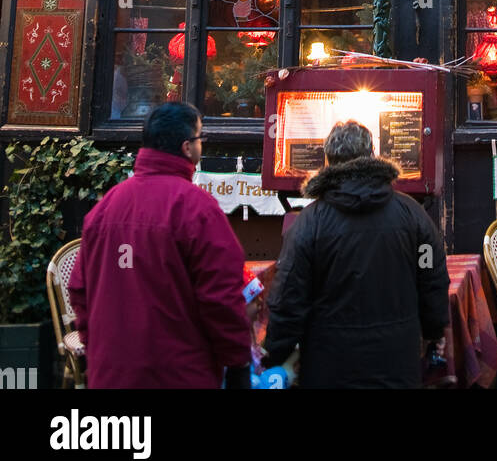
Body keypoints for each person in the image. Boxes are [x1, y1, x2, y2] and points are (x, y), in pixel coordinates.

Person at [68, 101, 252, 389]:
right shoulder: (198, 209)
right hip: (179, 375)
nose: (202, 145)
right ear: (187, 147)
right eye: (200, 137)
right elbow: (221, 298)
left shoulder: (104, 209)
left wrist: (98, 347)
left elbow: (79, 290)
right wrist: (238, 362)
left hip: (111, 375)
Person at [264, 120, 450, 389]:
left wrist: (275, 353)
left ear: (328, 161)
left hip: (329, 368)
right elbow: (431, 273)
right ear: (372, 153)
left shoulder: (310, 223)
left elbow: (288, 296)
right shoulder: (413, 216)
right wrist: (434, 329)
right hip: (397, 365)